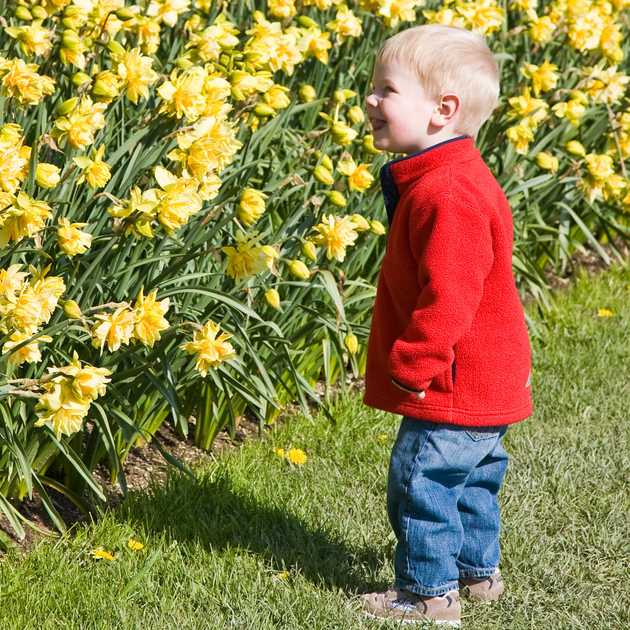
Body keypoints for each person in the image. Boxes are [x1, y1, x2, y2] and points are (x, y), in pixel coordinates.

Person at [359, 23, 534, 626]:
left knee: (422, 478)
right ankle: (477, 575)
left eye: (386, 89)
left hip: (455, 376)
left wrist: (415, 362)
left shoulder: (447, 193)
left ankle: (427, 594)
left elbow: (450, 295)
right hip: (490, 374)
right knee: (474, 480)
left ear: (443, 110)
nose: (370, 101)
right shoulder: (446, 177)